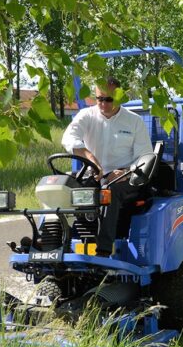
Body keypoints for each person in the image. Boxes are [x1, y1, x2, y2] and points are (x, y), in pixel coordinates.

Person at [62, 77, 153, 257]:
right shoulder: (86, 116)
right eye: (99, 99)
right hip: (93, 174)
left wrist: (126, 172)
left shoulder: (134, 122)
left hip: (126, 179)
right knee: (65, 189)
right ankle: (56, 242)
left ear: (119, 96)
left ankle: (103, 251)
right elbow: (69, 138)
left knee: (110, 191)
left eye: (108, 99)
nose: (103, 104)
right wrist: (90, 158)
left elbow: (145, 156)